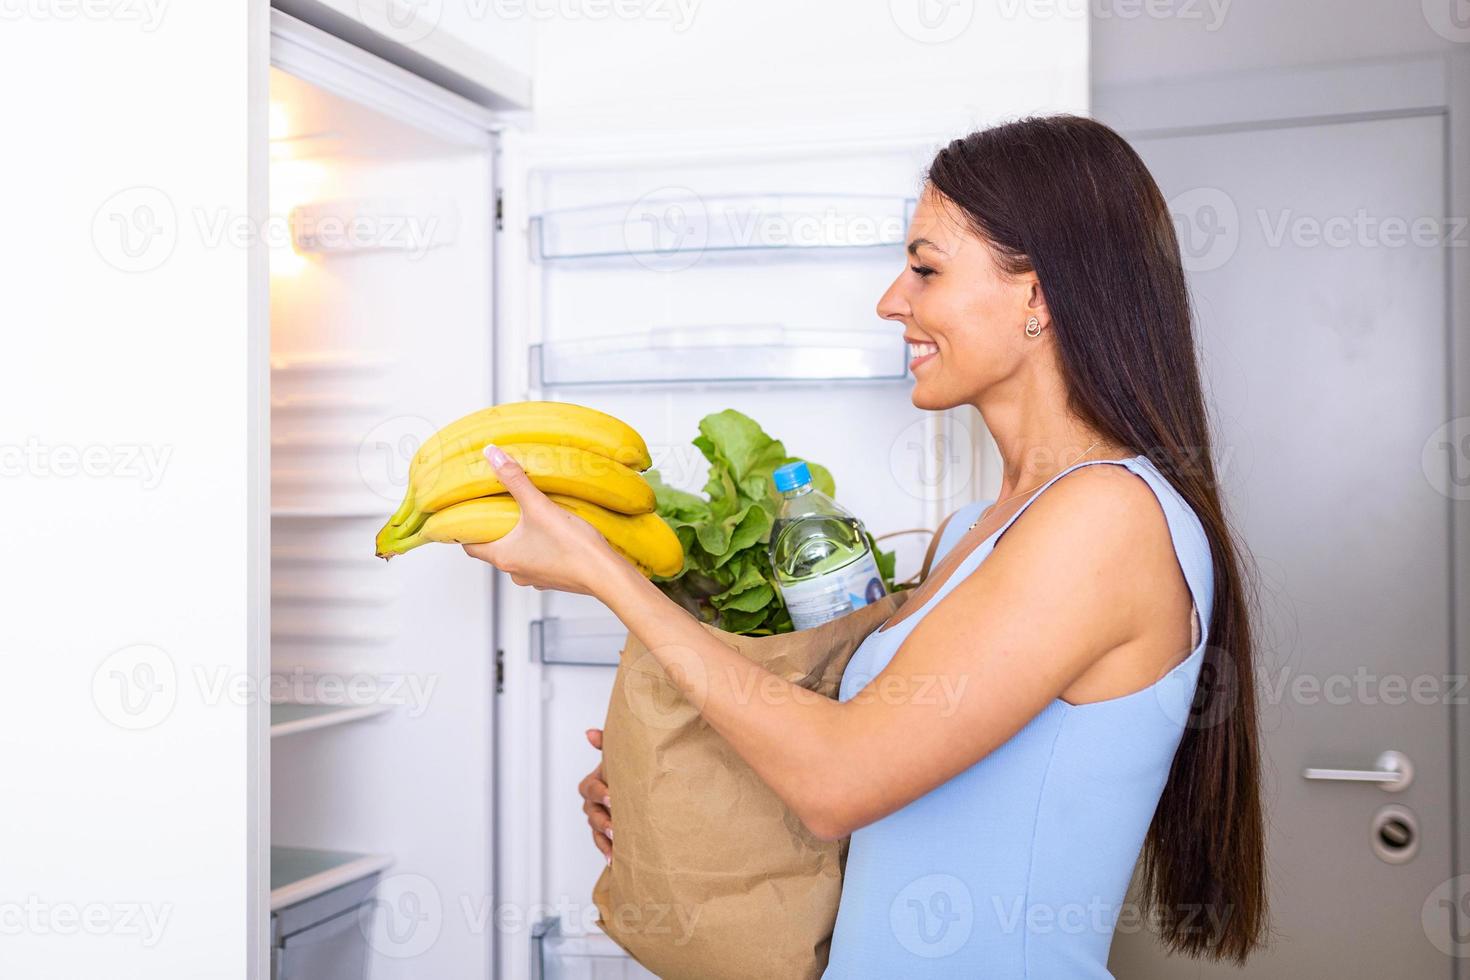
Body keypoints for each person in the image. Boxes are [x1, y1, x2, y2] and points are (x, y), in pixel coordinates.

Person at [466, 115, 1267, 976]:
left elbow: (837, 783)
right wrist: (671, 797)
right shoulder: (977, 529)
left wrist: (603, 571)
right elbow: (888, 795)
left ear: (1037, 296)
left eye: (925, 269)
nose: (893, 300)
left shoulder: (1107, 519)